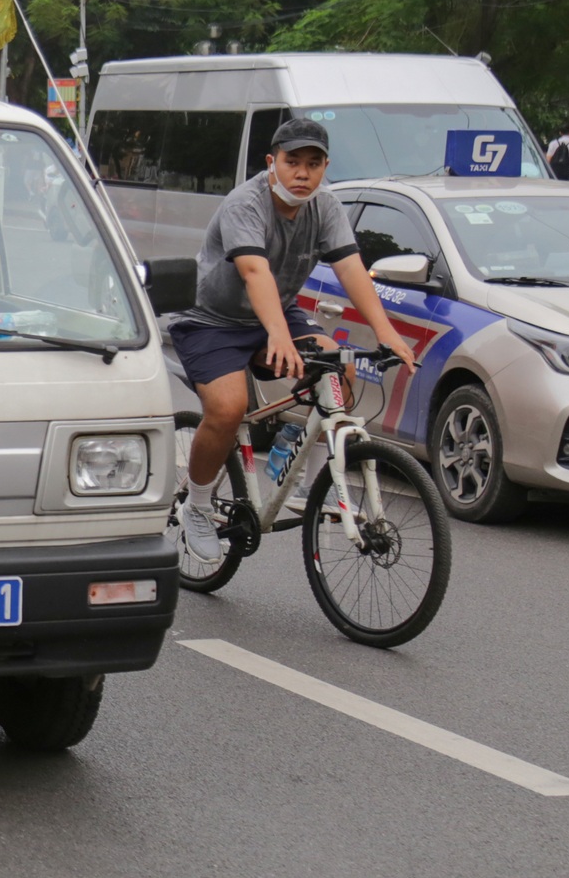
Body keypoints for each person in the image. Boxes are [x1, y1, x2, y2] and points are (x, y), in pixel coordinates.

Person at [170, 118, 419, 562]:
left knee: (339, 366)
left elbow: (350, 267)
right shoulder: (245, 204)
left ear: (325, 167)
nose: (302, 173)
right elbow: (254, 272)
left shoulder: (325, 206)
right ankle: (198, 506)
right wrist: (279, 336)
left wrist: (386, 332)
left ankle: (314, 482)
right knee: (228, 409)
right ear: (272, 162)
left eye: (313, 164)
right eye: (292, 162)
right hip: (211, 320)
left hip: (276, 313)